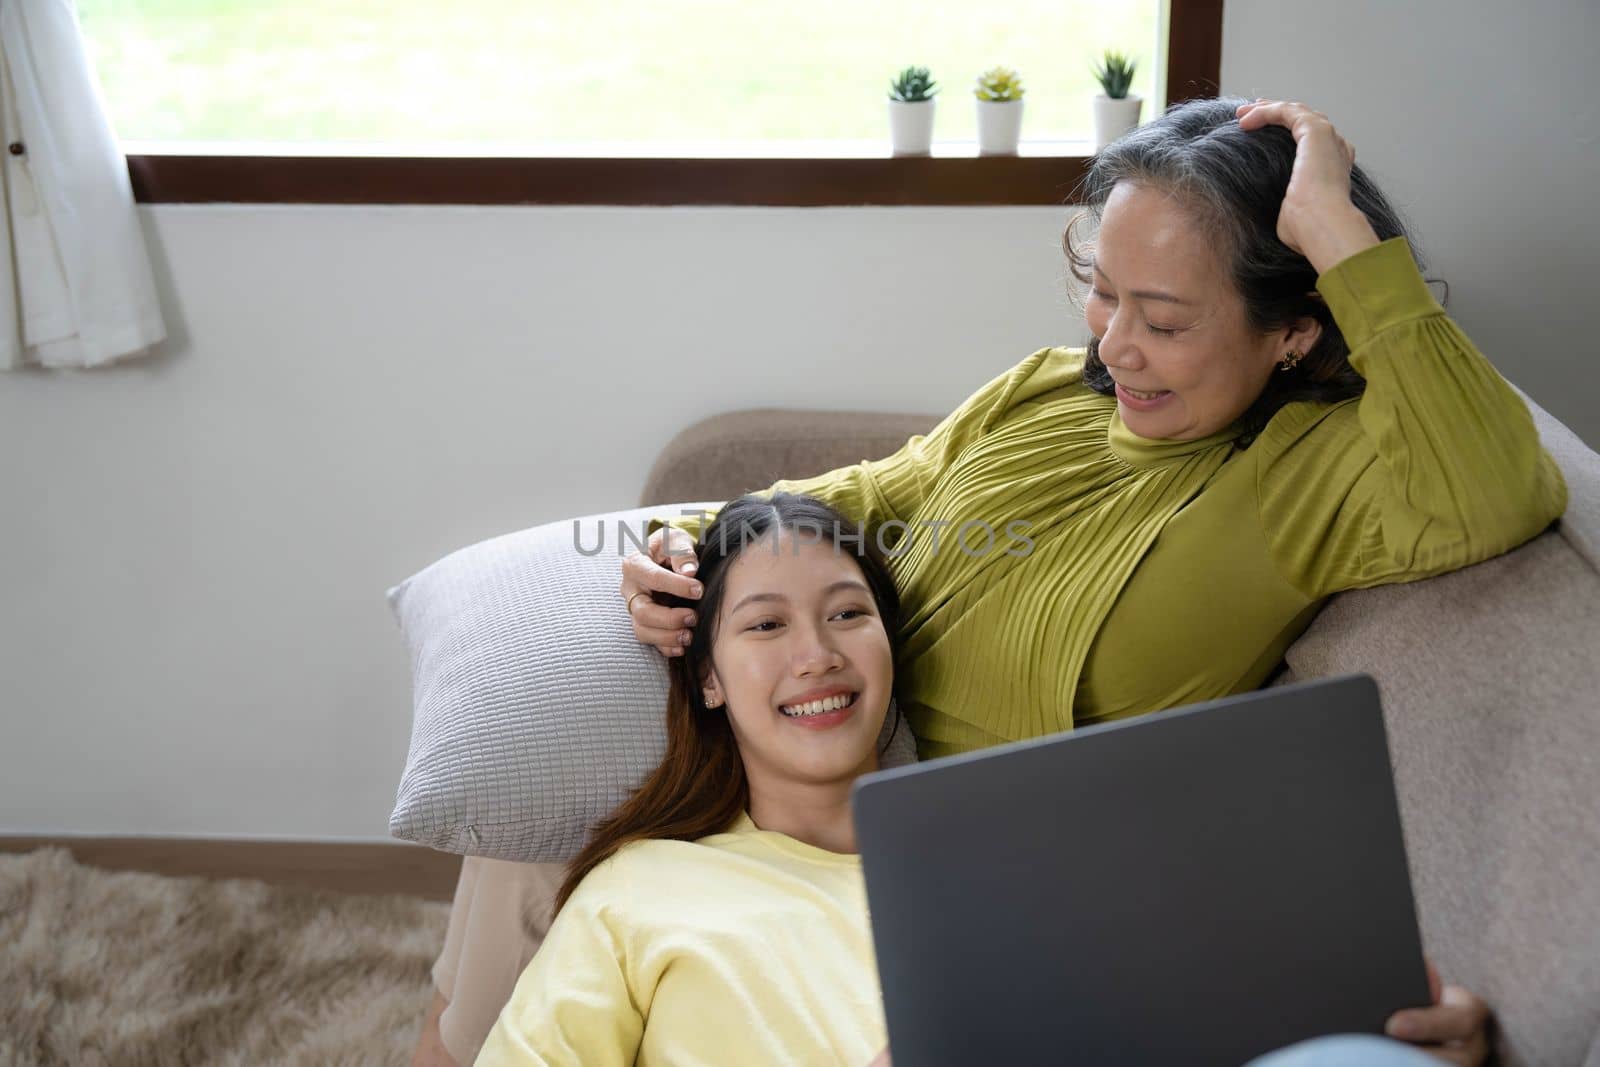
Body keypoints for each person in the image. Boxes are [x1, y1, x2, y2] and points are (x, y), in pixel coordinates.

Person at [416, 95, 1550, 1065]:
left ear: (1295, 331)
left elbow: (1498, 486)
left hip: (987, 858)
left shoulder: (1313, 475)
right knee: (530, 840)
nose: (1112, 346)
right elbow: (873, 492)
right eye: (1099, 291)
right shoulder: (1047, 393)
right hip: (828, 732)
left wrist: (1340, 238)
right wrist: (694, 551)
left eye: (1162, 320)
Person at [476, 493, 1483, 1067]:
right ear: (705, 675)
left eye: (846, 613)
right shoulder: (642, 889)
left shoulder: (1038, 860)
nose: (817, 654)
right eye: (765, 625)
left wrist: (1401, 1031)